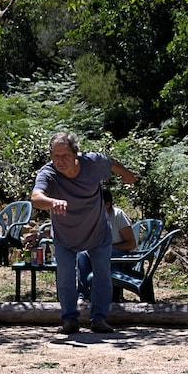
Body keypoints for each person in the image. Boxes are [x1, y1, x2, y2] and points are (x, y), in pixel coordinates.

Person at [31, 132, 136, 334]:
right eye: (56, 156)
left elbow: (111, 163)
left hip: (97, 232)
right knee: (65, 278)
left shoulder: (92, 163)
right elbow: (36, 198)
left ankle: (99, 320)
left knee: (102, 276)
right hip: (65, 236)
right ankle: (69, 321)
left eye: (65, 156)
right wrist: (52, 202)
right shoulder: (48, 173)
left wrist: (126, 174)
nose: (60, 161)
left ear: (75, 154)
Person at [76, 186, 136, 301]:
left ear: (107, 204)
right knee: (82, 254)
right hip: (100, 252)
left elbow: (131, 244)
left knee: (95, 252)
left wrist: (107, 247)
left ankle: (101, 295)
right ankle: (83, 294)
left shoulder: (118, 215)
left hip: (122, 255)